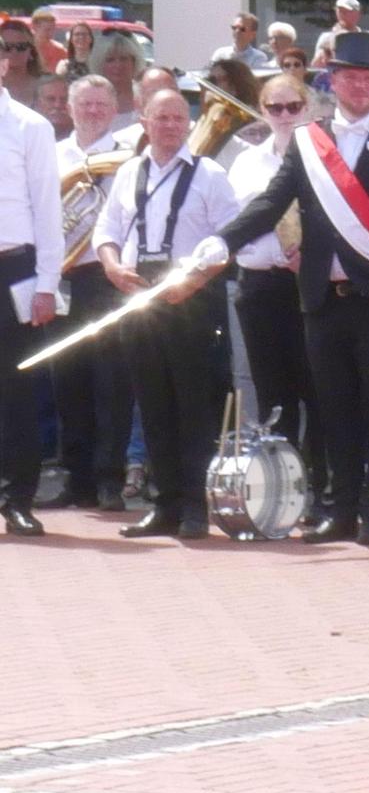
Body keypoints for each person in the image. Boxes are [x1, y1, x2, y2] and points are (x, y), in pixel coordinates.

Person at [204, 32, 369, 546]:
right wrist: (223, 243)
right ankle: (341, 510)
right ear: (332, 80)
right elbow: (271, 201)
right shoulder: (311, 141)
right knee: (334, 410)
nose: (359, 86)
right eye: (349, 76)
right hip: (321, 299)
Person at [94, 91, 238, 540]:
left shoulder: (210, 174)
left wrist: (192, 282)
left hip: (190, 293)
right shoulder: (129, 172)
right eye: (162, 117)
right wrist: (113, 267)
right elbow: (107, 229)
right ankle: (165, 504)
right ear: (144, 121)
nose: (172, 125)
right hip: (140, 292)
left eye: (179, 118)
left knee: (193, 404)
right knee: (151, 400)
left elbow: (230, 239)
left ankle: (196, 506)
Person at [226, 73, 328, 523]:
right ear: (262, 112)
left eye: (293, 106)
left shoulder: (325, 158)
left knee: (318, 393)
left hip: (309, 287)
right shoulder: (246, 164)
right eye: (275, 108)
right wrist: (273, 252)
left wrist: (310, 254)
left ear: (308, 107)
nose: (284, 116)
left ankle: (320, 491)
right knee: (274, 399)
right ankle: (283, 491)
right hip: (262, 286)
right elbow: (235, 226)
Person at [42, 76, 135, 513]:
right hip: (63, 278)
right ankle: (76, 480)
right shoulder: (53, 154)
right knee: (69, 381)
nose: (93, 110)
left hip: (107, 278)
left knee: (112, 383)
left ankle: (109, 481)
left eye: (101, 103)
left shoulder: (129, 157)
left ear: (115, 108)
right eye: (85, 103)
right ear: (71, 109)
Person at [0, 72, 62, 536]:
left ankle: (17, 498)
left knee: (16, 393)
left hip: (12, 268)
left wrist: (47, 284)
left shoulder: (29, 126)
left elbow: (47, 208)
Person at [89, 32, 144, 123]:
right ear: (100, 64)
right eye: (110, 60)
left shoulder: (145, 96)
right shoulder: (90, 98)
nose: (117, 65)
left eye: (123, 59)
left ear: (134, 62)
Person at [1, 19, 44, 102]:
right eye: (7, 46)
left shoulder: (45, 85)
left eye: (21, 46)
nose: (14, 51)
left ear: (31, 50)